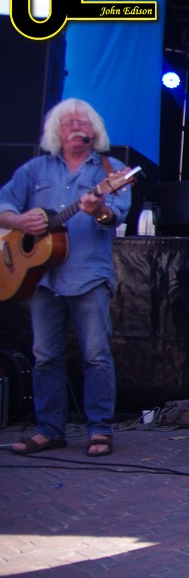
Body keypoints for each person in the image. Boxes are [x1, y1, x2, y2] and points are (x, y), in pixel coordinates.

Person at [0, 98, 131, 458]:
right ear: (56, 131)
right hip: (42, 279)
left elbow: (115, 216)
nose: (76, 126)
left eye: (83, 122)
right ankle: (49, 430)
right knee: (45, 357)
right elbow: (3, 205)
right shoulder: (36, 169)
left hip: (88, 276)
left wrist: (99, 208)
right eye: (68, 122)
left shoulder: (111, 170)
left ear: (94, 131)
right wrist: (19, 221)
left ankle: (99, 430)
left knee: (96, 356)